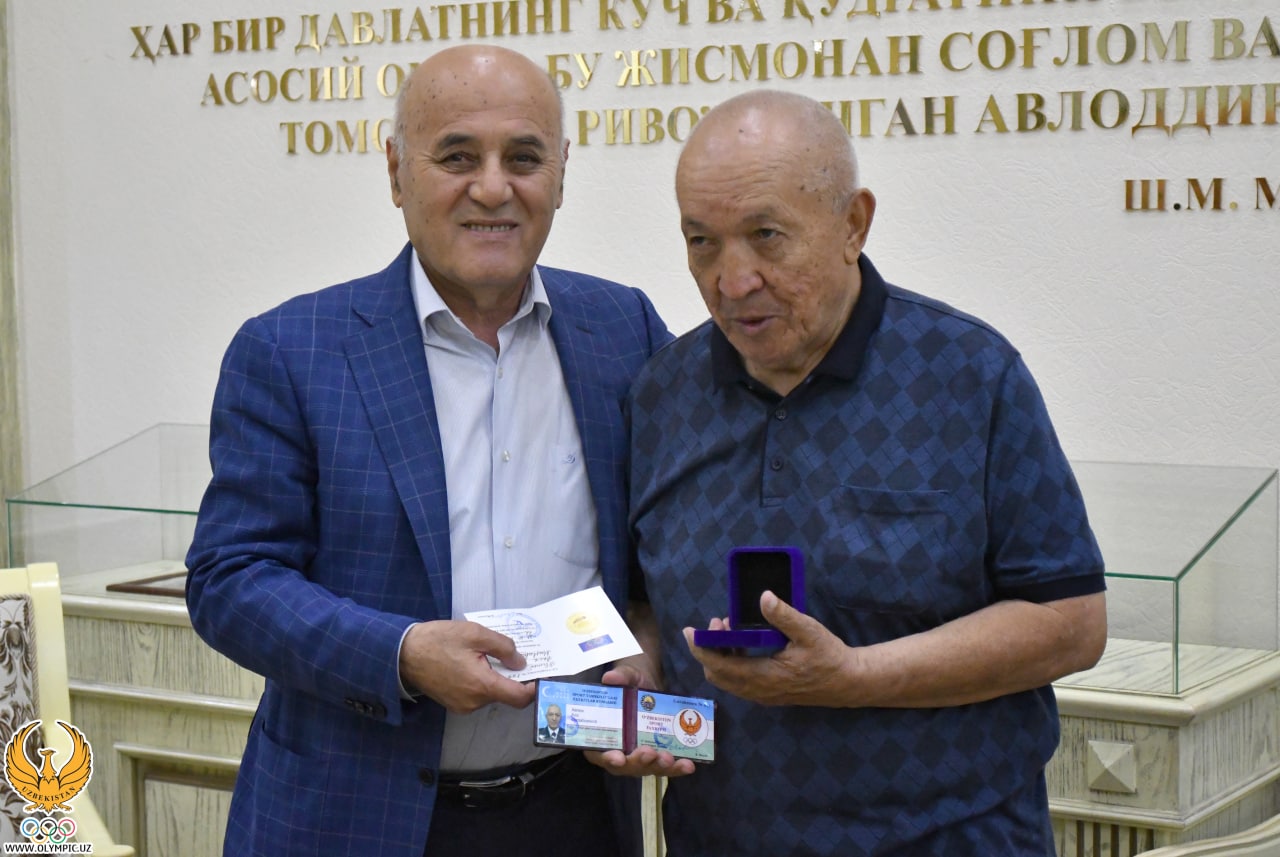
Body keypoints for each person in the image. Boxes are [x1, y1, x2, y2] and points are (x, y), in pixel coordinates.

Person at [185, 44, 670, 857]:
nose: (493, 187)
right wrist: (403, 653)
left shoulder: (626, 331)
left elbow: (659, 560)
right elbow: (229, 581)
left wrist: (648, 655)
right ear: (396, 172)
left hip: (574, 812)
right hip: (354, 821)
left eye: (524, 158)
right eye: (457, 157)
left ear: (561, 174)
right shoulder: (292, 350)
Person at [624, 90, 1108, 854]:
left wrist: (855, 676)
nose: (733, 279)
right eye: (702, 242)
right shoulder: (661, 392)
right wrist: (642, 668)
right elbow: (645, 598)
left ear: (853, 224)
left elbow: (1069, 623)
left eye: (766, 236)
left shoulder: (971, 375)